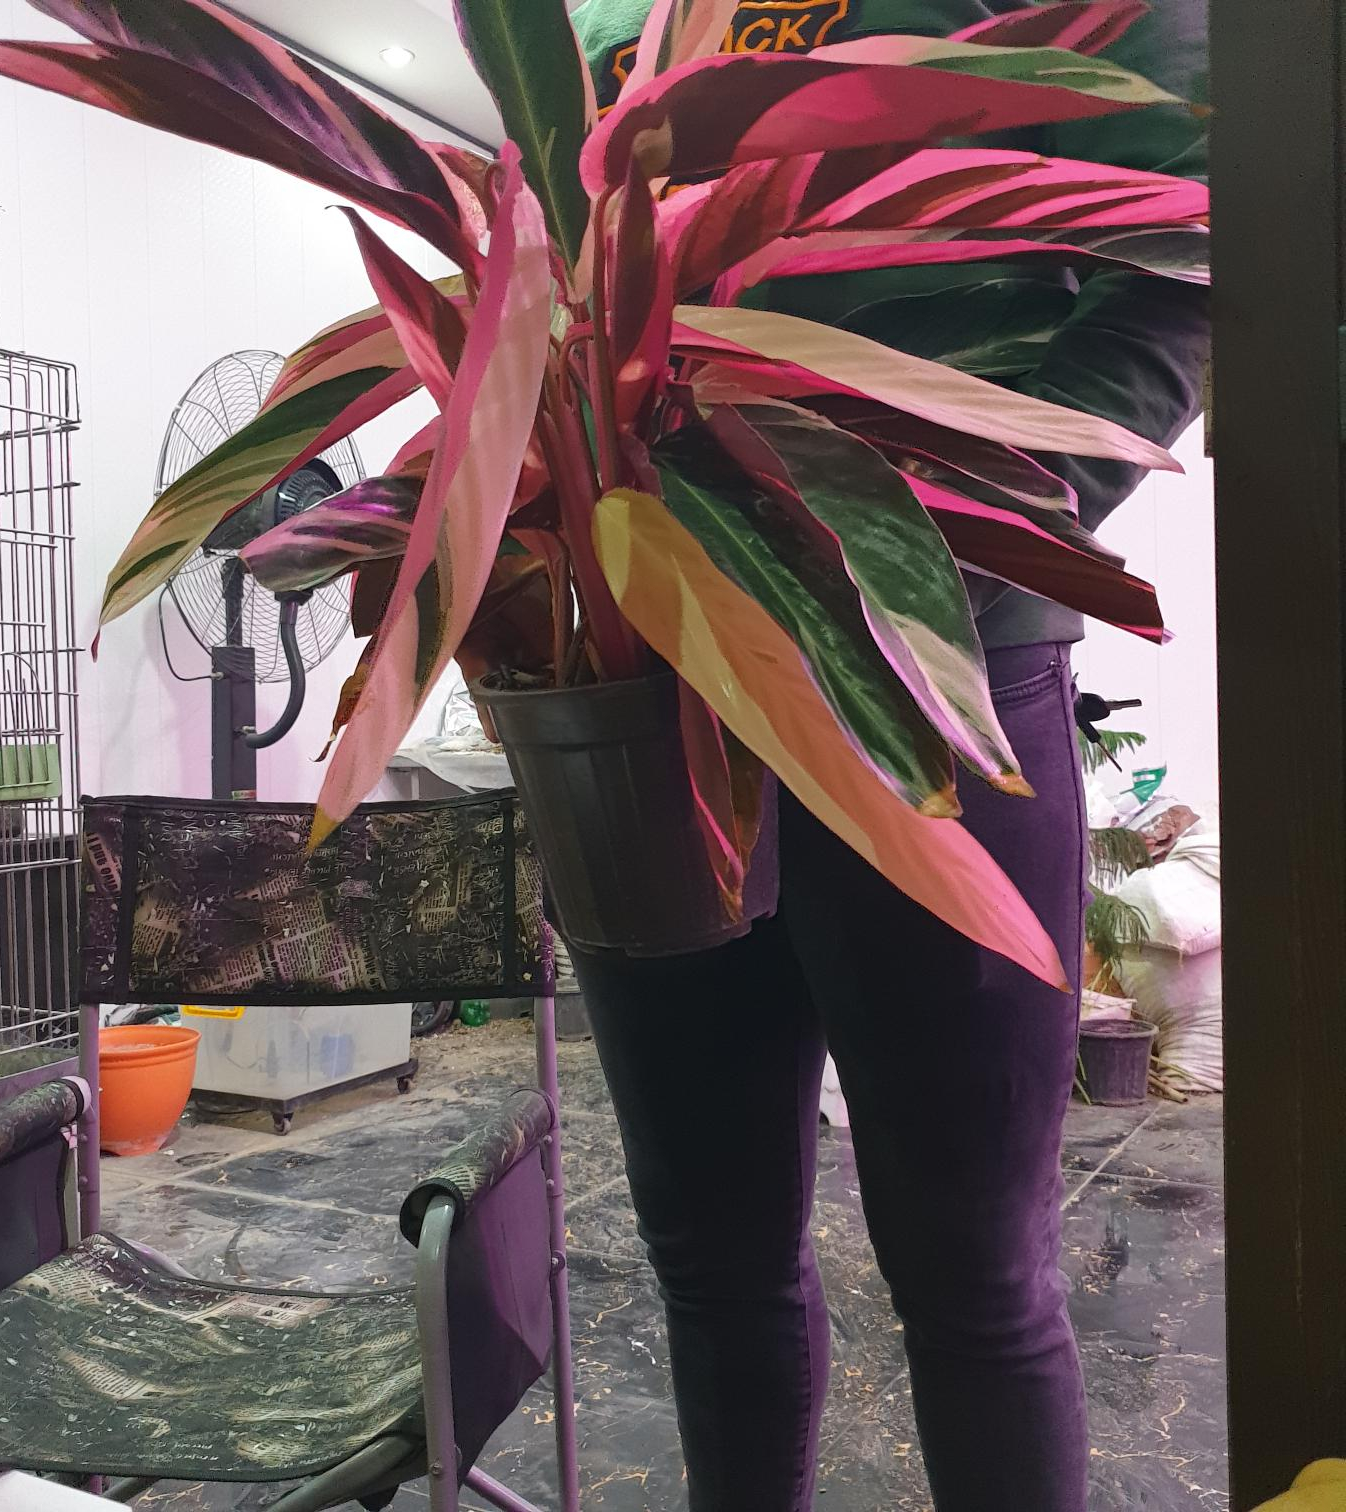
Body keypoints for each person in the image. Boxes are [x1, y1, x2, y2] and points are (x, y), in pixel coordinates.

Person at [564, 3, 1210, 1509]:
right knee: (711, 1256)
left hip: (935, 673)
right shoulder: (642, 28)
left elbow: (1175, 271)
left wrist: (930, 553)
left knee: (975, 1273)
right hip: (669, 681)